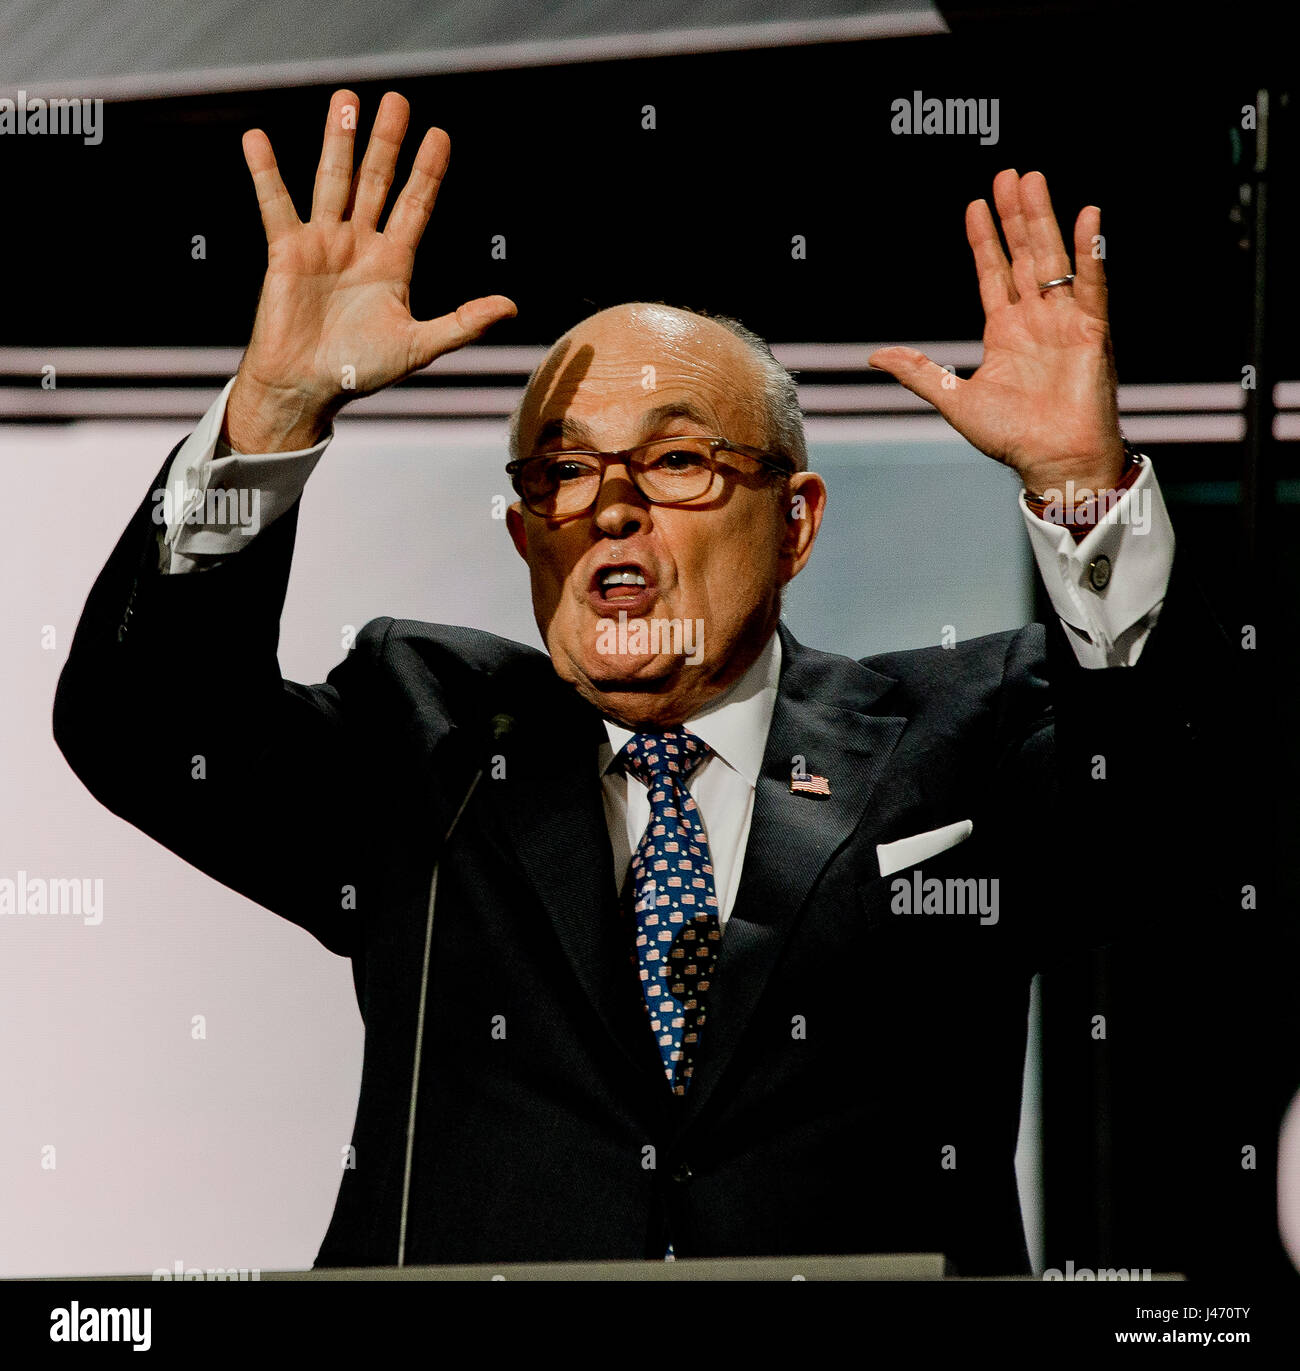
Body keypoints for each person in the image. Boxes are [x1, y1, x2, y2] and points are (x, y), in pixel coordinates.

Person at [53, 89, 1236, 1275]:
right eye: (561, 472)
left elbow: (1173, 810)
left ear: (796, 524)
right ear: (527, 538)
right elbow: (142, 730)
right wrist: (269, 415)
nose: (610, 504)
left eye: (677, 460)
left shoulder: (958, 745)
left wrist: (1083, 485)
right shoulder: (431, 744)